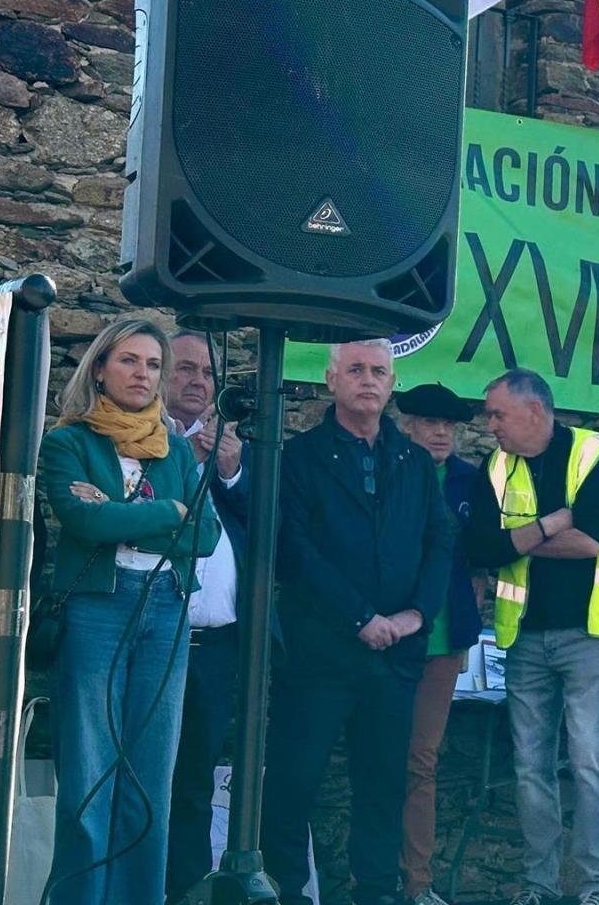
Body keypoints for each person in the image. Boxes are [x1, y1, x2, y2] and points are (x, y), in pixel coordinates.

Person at [261, 339, 453, 905]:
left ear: (392, 384)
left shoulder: (414, 462)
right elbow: (293, 550)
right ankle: (286, 892)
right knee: (293, 782)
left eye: (379, 371)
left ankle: (376, 892)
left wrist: (417, 614)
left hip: (393, 657)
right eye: (356, 370)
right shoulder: (299, 457)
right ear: (331, 380)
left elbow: (440, 541)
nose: (368, 380)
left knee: (383, 786)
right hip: (318, 655)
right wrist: (359, 616)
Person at [38, 318, 219, 905]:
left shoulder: (175, 449)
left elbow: (207, 535)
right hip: (98, 609)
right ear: (99, 369)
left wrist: (122, 515)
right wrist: (170, 513)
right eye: (129, 361)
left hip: (167, 610)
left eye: (152, 364)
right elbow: (84, 520)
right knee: (90, 775)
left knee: (149, 780)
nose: (143, 374)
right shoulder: (69, 443)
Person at [461, 368, 599, 905]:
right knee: (529, 767)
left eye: (498, 414)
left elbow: (589, 542)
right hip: (526, 637)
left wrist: (515, 540)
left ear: (534, 410)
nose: (490, 425)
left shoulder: (594, 454)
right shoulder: (495, 466)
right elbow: (481, 548)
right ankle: (539, 885)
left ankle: (598, 886)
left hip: (590, 634)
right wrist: (551, 523)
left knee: (589, 761)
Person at [162, 330, 251, 902]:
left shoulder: (232, 446)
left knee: (196, 782)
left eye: (208, 373)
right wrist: (181, 458)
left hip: (216, 648)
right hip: (155, 637)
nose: (198, 381)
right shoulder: (142, 439)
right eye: (186, 368)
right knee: (143, 775)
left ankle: (186, 891)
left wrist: (234, 473)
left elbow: (271, 530)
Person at [395, 383, 487, 905]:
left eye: (449, 425)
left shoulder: (470, 481)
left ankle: (418, 884)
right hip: (388, 637)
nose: (441, 433)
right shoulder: (389, 469)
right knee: (377, 755)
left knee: (421, 761)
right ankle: (374, 879)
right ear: (408, 426)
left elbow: (482, 553)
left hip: (444, 640)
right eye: (431, 423)